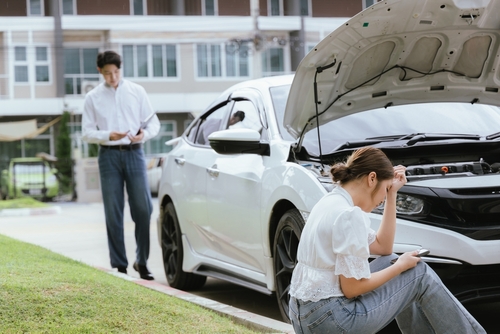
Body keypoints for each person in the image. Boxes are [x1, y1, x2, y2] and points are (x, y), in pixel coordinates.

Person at [288, 147, 485, 334]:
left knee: (390, 259)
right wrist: (399, 267)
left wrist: (392, 195)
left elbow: (383, 247)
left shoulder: (331, 201)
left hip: (305, 316)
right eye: (385, 189)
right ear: (372, 178)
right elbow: (352, 288)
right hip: (333, 321)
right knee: (417, 271)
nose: (382, 199)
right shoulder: (349, 215)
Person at [82, 50, 160, 280]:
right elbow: (86, 133)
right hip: (108, 156)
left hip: (135, 153)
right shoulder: (92, 97)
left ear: (120, 69)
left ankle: (142, 261)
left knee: (143, 209)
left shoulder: (137, 91)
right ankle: (119, 265)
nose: (112, 78)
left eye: (116, 72)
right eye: (107, 73)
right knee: (113, 211)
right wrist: (108, 135)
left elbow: (153, 124)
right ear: (100, 71)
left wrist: (142, 134)